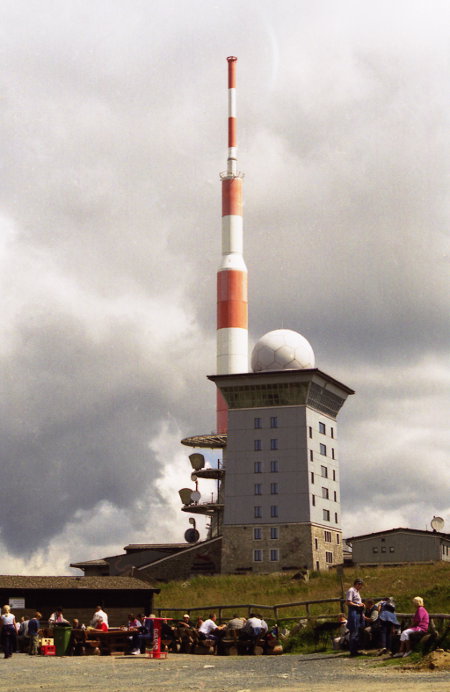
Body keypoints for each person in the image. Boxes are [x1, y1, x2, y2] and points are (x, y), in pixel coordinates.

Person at [346, 578, 365, 656]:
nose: (361, 587)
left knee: (357, 630)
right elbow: (348, 602)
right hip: (353, 610)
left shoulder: (357, 591)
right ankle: (352, 651)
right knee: (354, 630)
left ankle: (356, 649)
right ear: (357, 584)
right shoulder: (351, 590)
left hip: (358, 611)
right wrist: (357, 605)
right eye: (360, 585)